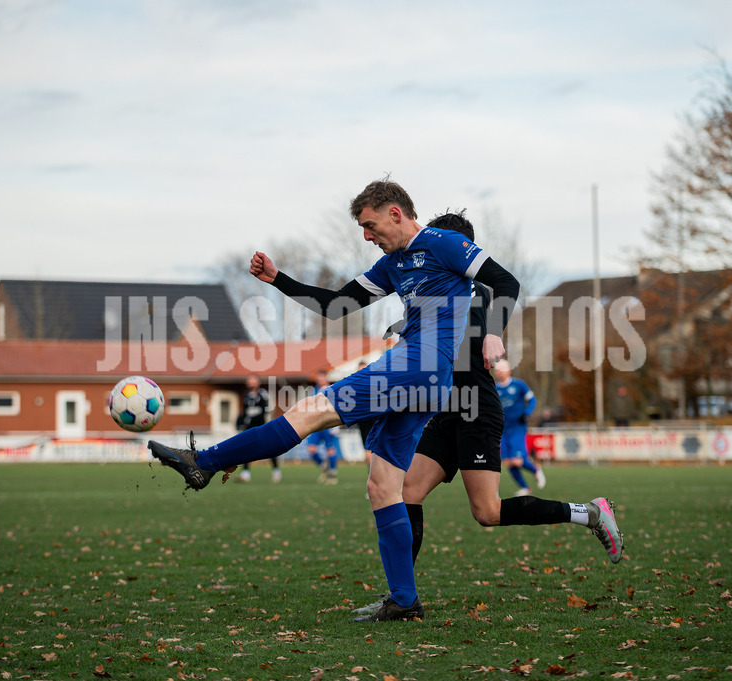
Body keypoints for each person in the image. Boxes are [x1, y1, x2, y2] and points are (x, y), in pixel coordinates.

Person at [148, 179, 520, 622]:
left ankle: (203, 462)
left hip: (416, 367)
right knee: (382, 486)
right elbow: (338, 305)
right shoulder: (392, 263)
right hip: (426, 381)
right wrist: (278, 279)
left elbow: (504, 280)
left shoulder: (444, 242)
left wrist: (493, 332)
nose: (366, 236)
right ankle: (404, 600)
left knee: (308, 411)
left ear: (395, 213)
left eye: (369, 225)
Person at [352, 212, 623, 616]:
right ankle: (401, 596)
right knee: (407, 490)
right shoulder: (434, 289)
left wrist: (409, 327)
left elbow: (462, 325)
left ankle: (590, 513)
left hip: (477, 409)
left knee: (488, 513)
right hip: (446, 410)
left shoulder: (471, 288)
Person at [493, 359, 546, 494]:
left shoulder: (519, 385)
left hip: (517, 427)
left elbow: (533, 400)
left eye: (502, 370)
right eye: (497, 370)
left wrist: (527, 413)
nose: (499, 373)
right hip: (503, 429)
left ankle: (536, 470)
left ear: (509, 371)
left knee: (517, 460)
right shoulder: (495, 388)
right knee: (509, 462)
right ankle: (525, 487)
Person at [235, 375, 281, 483]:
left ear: (258, 383)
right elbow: (244, 412)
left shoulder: (263, 394)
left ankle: (276, 472)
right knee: (246, 450)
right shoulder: (247, 395)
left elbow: (267, 410)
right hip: (249, 428)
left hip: (262, 427)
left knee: (271, 449)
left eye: (253, 381)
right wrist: (239, 422)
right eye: (249, 381)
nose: (251, 383)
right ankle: (245, 474)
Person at [306, 371, 341, 483]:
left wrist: (336, 424)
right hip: (317, 425)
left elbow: (337, 406)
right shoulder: (314, 390)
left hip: (328, 425)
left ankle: (332, 473)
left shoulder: (332, 389)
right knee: (311, 449)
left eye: (322, 377)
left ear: (326, 378)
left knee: (330, 450)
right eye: (318, 378)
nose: (320, 380)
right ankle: (323, 466)